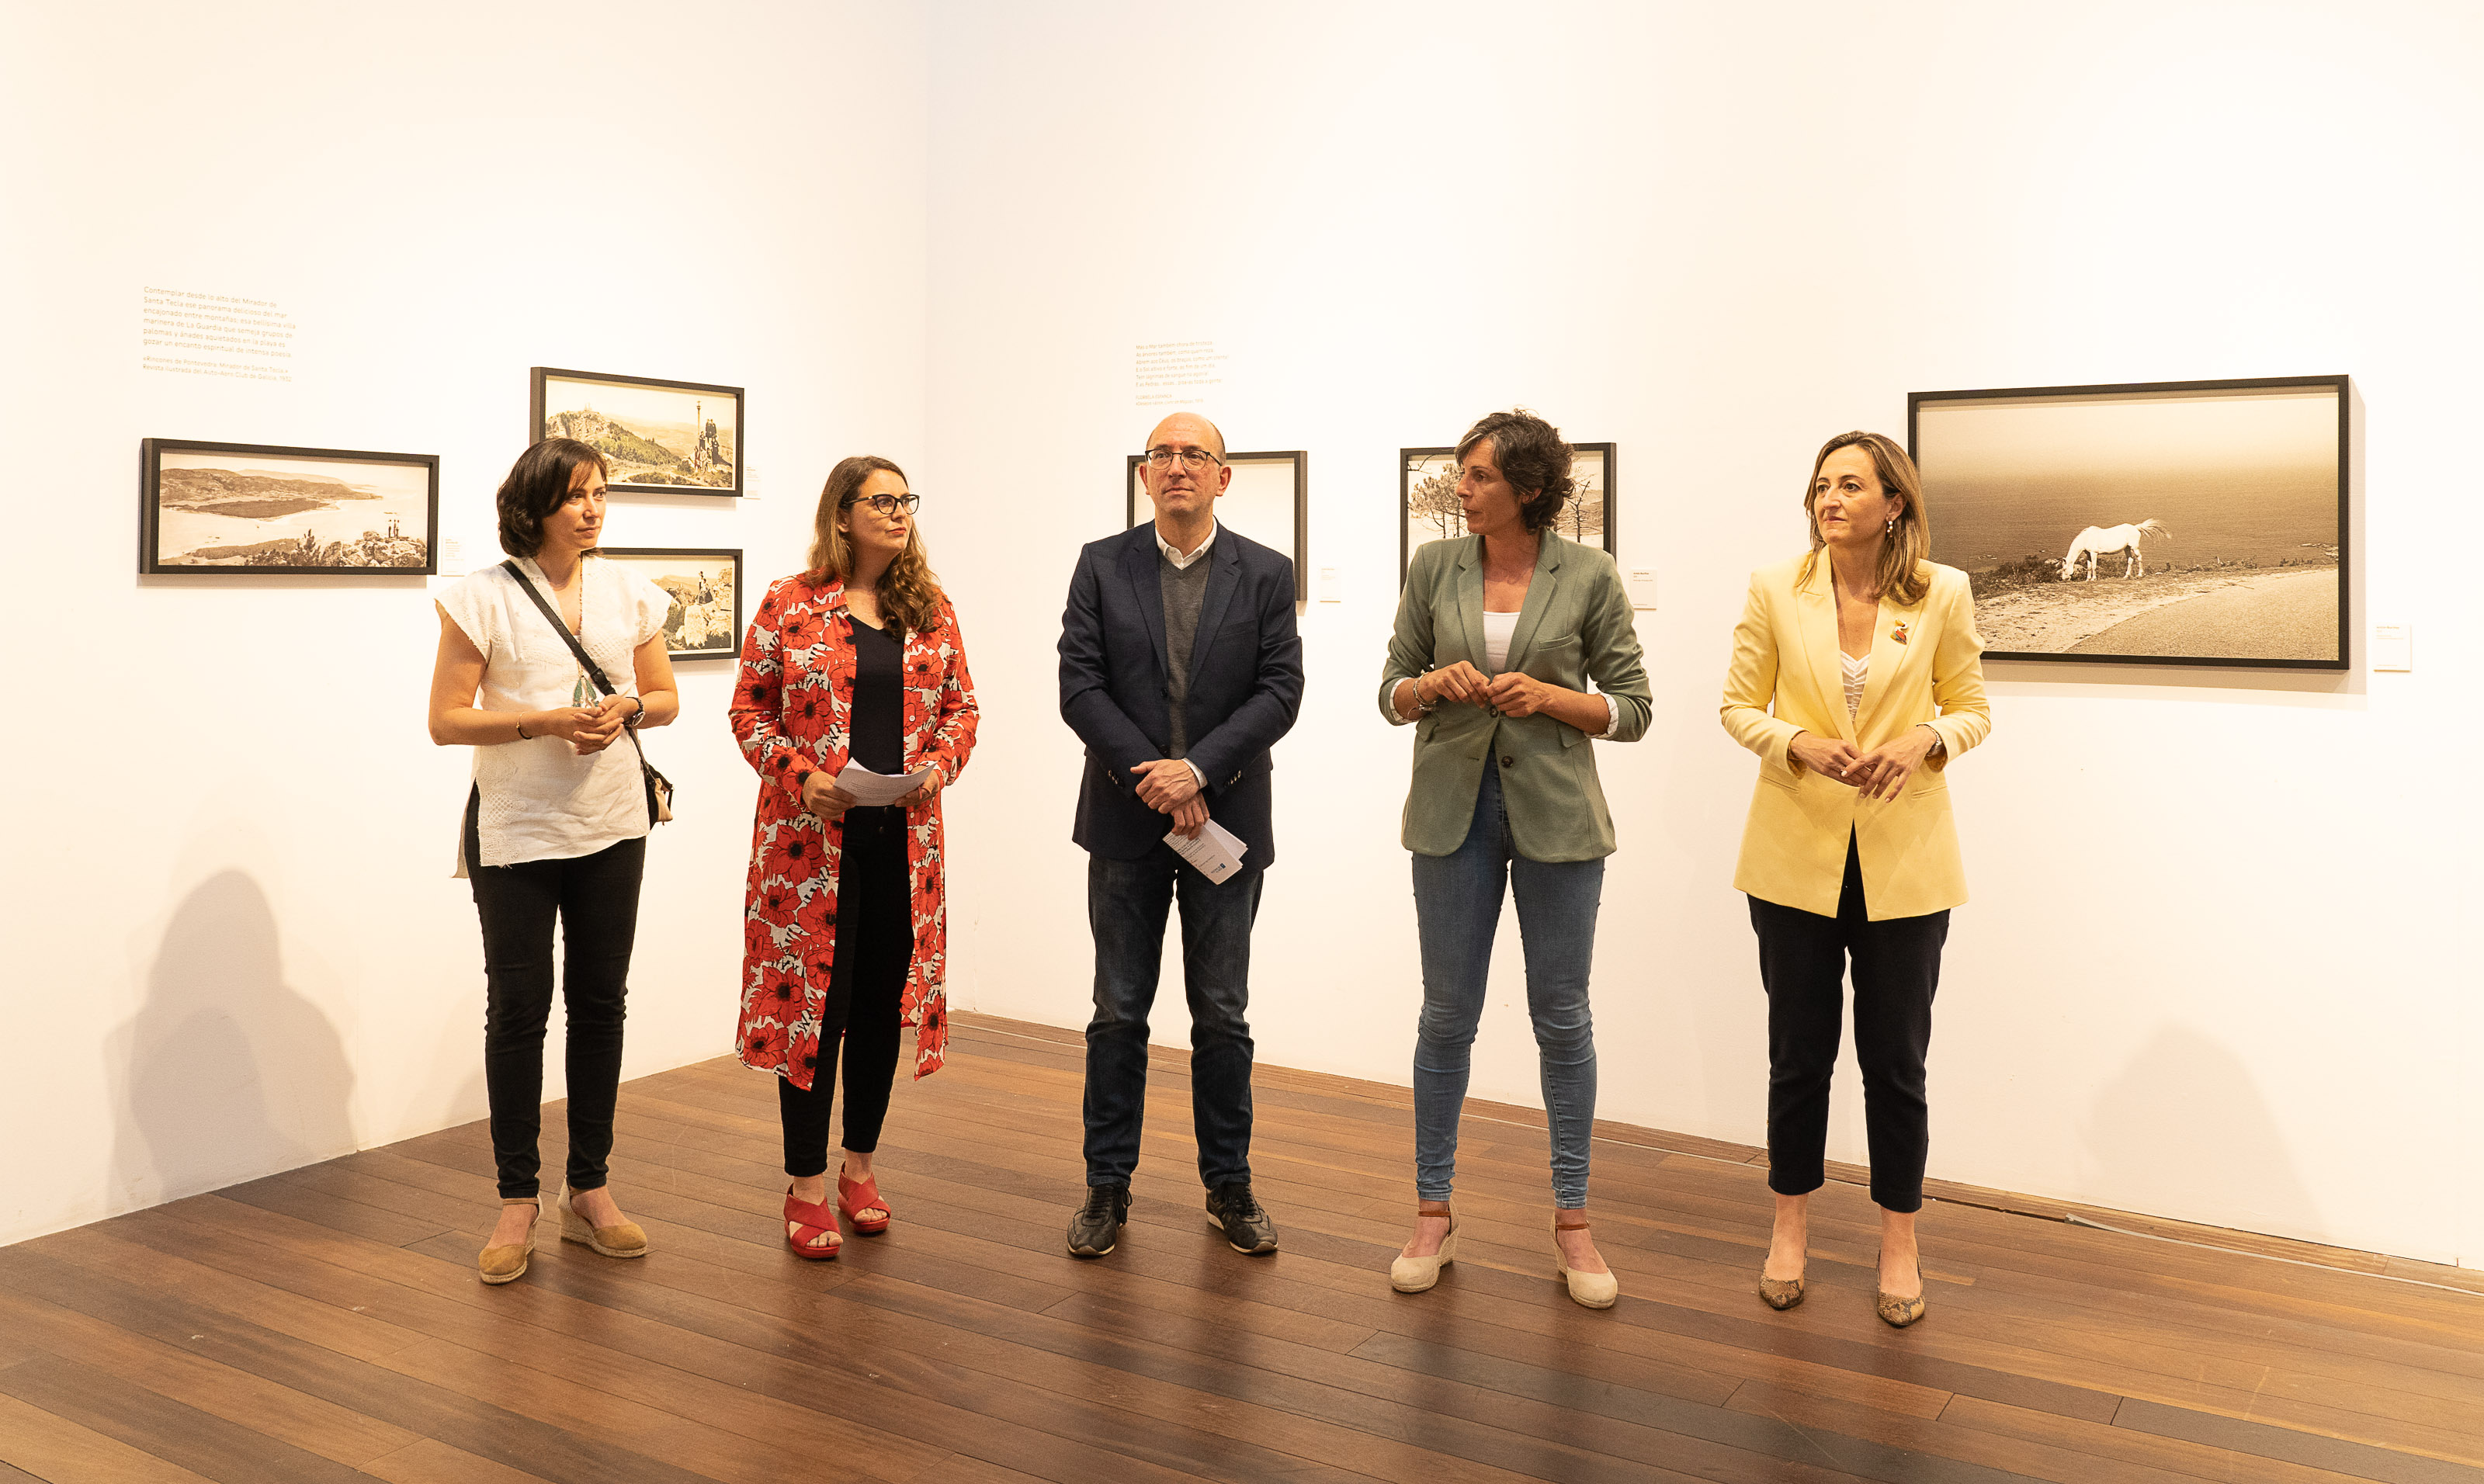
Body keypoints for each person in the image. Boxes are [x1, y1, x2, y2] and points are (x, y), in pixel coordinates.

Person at [1377, 408, 1651, 1309]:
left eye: (1479, 475)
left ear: (1527, 488)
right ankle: (1432, 1212)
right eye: (1460, 473)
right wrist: (1427, 686)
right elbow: (1389, 691)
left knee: (1561, 1019)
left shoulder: (1590, 574)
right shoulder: (1433, 566)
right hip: (1450, 814)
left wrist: (1551, 697)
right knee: (1444, 1017)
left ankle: (1572, 1221)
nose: (1460, 487)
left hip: (1557, 820)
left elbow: (1633, 708)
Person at [1719, 430, 1991, 1328]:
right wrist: (1793, 740)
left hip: (1904, 862)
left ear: (1893, 503)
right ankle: (1788, 1227)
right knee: (1797, 1056)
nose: (1828, 499)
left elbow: (1972, 708)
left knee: (1895, 1063)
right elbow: (1735, 706)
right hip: (1791, 856)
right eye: (1820, 486)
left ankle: (1898, 1240)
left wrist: (1926, 739)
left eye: (1848, 485)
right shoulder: (1774, 588)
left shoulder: (1940, 591)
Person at [427, 438, 681, 1285]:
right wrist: (542, 721)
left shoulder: (629, 591)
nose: (592, 509)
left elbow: (666, 697)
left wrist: (626, 708)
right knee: (518, 1009)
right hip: (515, 828)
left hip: (612, 821)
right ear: (532, 506)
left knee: (600, 1004)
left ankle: (589, 1190)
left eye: (600, 493)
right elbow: (446, 720)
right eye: (575, 495)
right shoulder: (481, 597)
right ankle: (516, 1199)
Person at [1057, 412, 1304, 1259]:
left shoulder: (1264, 572)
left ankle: (1228, 1186)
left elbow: (1280, 691)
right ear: (1144, 475)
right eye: (1161, 454)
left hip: (1224, 819)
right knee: (1117, 1012)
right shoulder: (1102, 564)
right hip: (1125, 820)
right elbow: (1079, 686)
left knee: (1222, 1015)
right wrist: (1156, 778)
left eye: (1194, 454)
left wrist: (1197, 772)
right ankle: (1106, 1186)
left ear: (1223, 476)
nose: (1176, 467)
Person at [730, 456, 978, 1260]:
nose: (900, 512)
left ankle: (859, 1168)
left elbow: (962, 709)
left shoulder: (930, 607)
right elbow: (750, 711)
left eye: (907, 499)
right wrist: (800, 776)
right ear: (842, 514)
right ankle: (804, 1184)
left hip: (903, 845)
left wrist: (937, 765)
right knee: (814, 1012)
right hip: (809, 852)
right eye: (882, 500)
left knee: (877, 1006)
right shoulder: (790, 602)